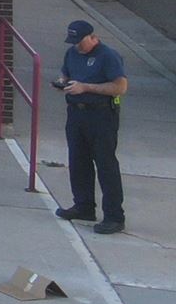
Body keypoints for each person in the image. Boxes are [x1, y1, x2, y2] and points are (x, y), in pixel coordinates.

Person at [53, 19, 129, 236]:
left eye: (80, 41)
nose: (78, 45)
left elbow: (120, 87)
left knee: (105, 164)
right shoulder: (72, 53)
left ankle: (114, 216)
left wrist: (85, 87)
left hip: (102, 115)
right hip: (77, 113)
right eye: (74, 41)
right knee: (78, 160)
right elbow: (66, 73)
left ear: (92, 37)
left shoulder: (107, 56)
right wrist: (62, 82)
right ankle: (84, 206)